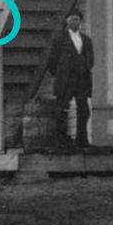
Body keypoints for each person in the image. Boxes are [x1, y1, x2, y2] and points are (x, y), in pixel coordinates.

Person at [40, 9, 94, 149]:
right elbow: (52, 60)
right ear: (67, 22)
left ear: (80, 22)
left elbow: (91, 59)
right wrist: (60, 74)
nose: (74, 22)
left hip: (82, 79)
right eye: (71, 20)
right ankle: (61, 140)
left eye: (76, 19)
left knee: (83, 109)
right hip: (65, 80)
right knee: (62, 108)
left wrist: (84, 67)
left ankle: (82, 140)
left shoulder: (86, 40)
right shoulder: (59, 39)